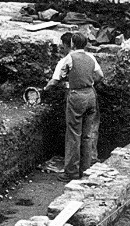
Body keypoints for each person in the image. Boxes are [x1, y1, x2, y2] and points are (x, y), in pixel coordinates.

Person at [43, 32, 103, 182]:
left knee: (73, 135)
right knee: (87, 134)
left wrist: (44, 90)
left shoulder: (68, 59)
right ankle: (86, 169)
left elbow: (54, 81)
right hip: (91, 95)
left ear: (71, 45)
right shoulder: (91, 57)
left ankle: (71, 172)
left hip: (77, 97)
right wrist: (89, 83)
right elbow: (100, 76)